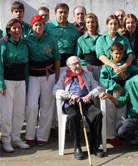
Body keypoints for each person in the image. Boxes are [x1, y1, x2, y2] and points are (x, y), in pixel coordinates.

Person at [53, 56, 104, 160]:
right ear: (68, 67)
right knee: (73, 116)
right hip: (71, 103)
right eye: (74, 64)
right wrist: (70, 95)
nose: (77, 66)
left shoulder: (87, 73)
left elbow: (97, 87)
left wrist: (90, 95)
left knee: (97, 114)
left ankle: (94, 145)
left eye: (78, 63)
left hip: (86, 102)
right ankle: (77, 146)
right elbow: (55, 90)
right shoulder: (64, 75)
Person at [24, 16, 60, 147]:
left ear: (44, 26)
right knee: (32, 106)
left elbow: (56, 58)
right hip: (33, 76)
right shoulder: (26, 40)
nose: (38, 27)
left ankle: (42, 136)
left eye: (40, 25)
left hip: (48, 76)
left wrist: (56, 77)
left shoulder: (51, 39)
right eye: (36, 25)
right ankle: (30, 135)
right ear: (32, 27)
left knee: (46, 107)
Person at [0, 19, 30, 152]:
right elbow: (0, 64)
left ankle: (16, 138)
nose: (17, 30)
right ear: (9, 30)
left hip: (21, 81)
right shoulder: (3, 44)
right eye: (14, 28)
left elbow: (27, 67)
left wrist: (27, 85)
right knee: (6, 112)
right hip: (7, 81)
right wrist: (1, 83)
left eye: (19, 28)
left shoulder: (24, 45)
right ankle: (6, 140)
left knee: (19, 112)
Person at [100, 42, 138, 145]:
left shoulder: (126, 66)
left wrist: (127, 79)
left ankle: (118, 135)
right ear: (111, 53)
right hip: (111, 92)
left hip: (123, 92)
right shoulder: (108, 66)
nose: (118, 56)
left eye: (120, 54)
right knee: (110, 114)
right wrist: (116, 86)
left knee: (121, 114)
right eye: (116, 53)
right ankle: (110, 136)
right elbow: (103, 78)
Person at [45, 3, 80, 73]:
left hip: (69, 60)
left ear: (68, 13)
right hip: (52, 58)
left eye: (65, 12)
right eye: (60, 12)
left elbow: (78, 46)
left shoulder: (73, 29)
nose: (63, 14)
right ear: (55, 13)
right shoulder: (47, 26)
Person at [76, 13, 102, 82]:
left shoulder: (101, 38)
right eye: (88, 22)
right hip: (87, 68)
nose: (90, 24)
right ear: (85, 24)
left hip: (100, 68)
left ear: (96, 23)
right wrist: (86, 64)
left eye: (92, 22)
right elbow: (78, 57)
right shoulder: (81, 40)